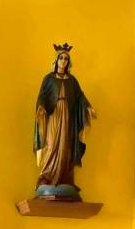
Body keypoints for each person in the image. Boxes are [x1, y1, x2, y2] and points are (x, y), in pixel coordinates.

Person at [33, 43, 95, 197]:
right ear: (56, 60)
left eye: (66, 59)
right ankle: (47, 176)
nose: (63, 61)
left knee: (66, 145)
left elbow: (80, 97)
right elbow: (42, 96)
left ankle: (65, 177)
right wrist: (41, 107)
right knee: (52, 142)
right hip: (54, 114)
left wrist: (88, 108)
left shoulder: (72, 80)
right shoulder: (48, 79)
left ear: (68, 62)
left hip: (67, 115)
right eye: (61, 58)